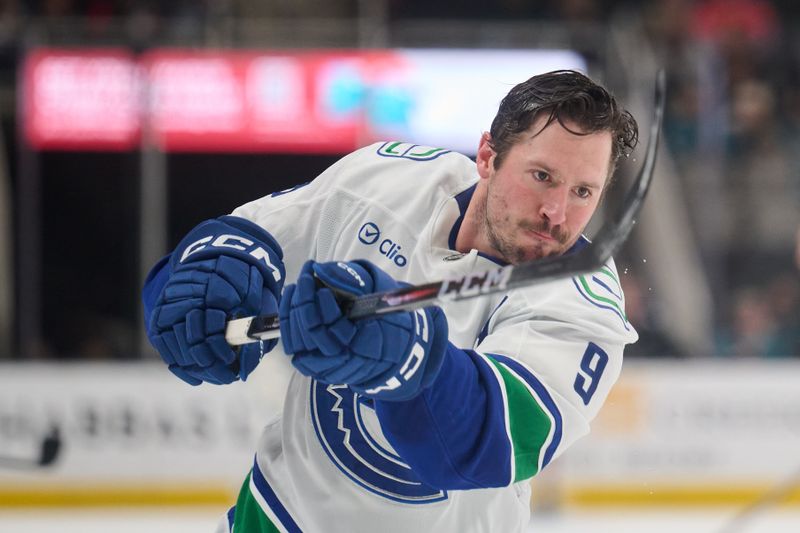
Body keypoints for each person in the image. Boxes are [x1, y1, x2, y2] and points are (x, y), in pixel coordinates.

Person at [142, 70, 639, 532]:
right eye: (542, 177)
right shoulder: (391, 180)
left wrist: (409, 357)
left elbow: (488, 443)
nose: (557, 212)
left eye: (583, 191)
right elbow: (251, 238)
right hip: (279, 518)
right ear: (487, 156)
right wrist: (213, 281)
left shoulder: (583, 304)